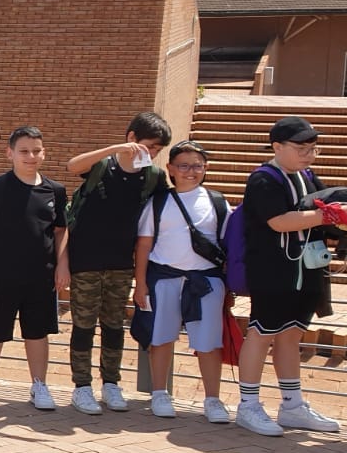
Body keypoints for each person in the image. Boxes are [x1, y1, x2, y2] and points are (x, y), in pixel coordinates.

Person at [233, 117, 341, 436]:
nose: (309, 155)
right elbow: (279, 221)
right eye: (301, 148)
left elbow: (323, 207)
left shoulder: (307, 176)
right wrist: (328, 215)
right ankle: (248, 406)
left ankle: (292, 406)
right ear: (277, 147)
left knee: (292, 334)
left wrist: (334, 216)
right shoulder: (263, 179)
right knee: (261, 332)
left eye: (314, 149)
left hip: (306, 270)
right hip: (273, 272)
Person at [62, 111, 171, 415]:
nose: (152, 153)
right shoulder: (102, 165)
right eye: (148, 146)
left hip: (122, 262)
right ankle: (82, 386)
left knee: (113, 325)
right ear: (132, 137)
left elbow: (161, 214)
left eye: (158, 149)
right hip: (85, 260)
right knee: (83, 324)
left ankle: (111, 383)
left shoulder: (153, 177)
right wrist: (116, 149)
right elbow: (72, 166)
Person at [0, 126, 69, 411]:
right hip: (1, 278)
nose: (31, 156)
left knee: (37, 333)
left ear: (44, 153)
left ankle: (39, 386)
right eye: (24, 151)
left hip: (41, 277)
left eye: (36, 151)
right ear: (10, 153)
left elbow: (61, 231)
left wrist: (63, 265)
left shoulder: (55, 191)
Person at [133, 141, 230, 422]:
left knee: (208, 341)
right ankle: (159, 393)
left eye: (198, 165)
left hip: (205, 281)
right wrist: (140, 283)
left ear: (206, 168)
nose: (191, 171)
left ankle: (212, 399)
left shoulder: (217, 202)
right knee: (161, 337)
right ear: (171, 169)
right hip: (164, 278)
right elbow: (143, 245)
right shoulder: (159, 202)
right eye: (184, 165)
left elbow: (227, 245)